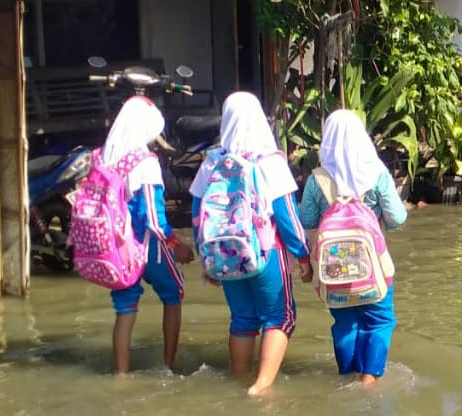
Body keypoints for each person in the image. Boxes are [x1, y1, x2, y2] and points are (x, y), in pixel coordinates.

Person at [191, 92, 311, 396]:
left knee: (243, 318)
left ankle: (240, 378)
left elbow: (197, 216)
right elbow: (287, 215)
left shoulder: (211, 162)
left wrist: (208, 261)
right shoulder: (270, 161)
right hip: (265, 251)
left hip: (224, 255)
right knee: (280, 317)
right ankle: (261, 387)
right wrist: (303, 254)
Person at [299, 110, 408, 386]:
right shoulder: (377, 174)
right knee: (380, 320)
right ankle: (369, 377)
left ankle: (347, 374)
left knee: (345, 322)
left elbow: (307, 219)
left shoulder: (317, 179)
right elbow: (397, 217)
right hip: (373, 266)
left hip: (334, 269)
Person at [103, 96, 195, 375]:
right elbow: (153, 218)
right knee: (174, 293)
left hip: (117, 249)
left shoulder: (109, 159)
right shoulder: (146, 162)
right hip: (146, 247)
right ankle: (168, 366)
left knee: (124, 311)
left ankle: (121, 375)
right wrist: (176, 243)